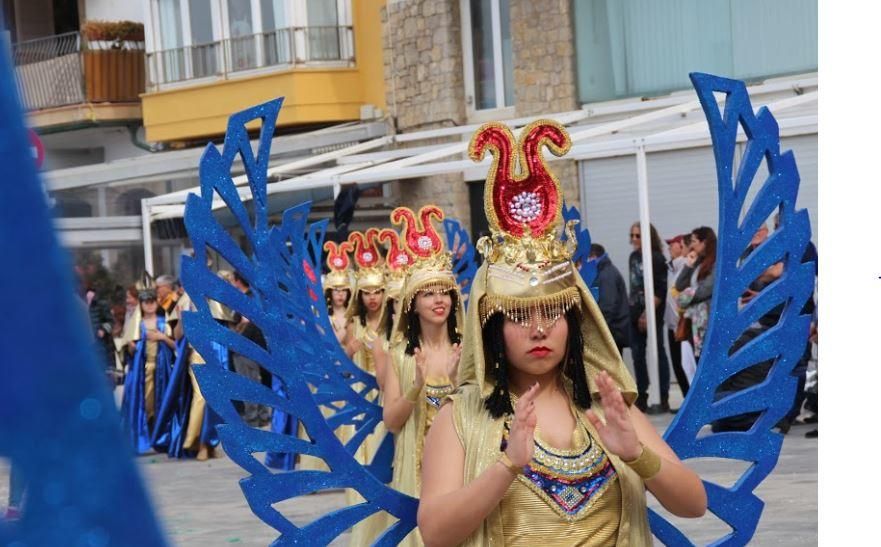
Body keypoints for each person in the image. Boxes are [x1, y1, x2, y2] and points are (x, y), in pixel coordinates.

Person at [418, 120, 706, 545]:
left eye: (553, 312)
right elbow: (436, 533)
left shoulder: (606, 409)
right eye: (518, 316)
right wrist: (506, 467)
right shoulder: (459, 417)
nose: (539, 330)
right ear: (492, 328)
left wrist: (637, 456)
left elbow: (694, 504)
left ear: (576, 321)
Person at [381, 206, 464, 547]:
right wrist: (417, 386)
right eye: (428, 294)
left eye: (443, 292)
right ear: (412, 304)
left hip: (461, 466)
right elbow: (391, 421)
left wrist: (459, 384)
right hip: (415, 472)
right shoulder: (400, 355)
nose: (438, 300)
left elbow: (484, 412)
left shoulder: (468, 351)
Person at [120, 282, 176, 454]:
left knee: (161, 403)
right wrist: (132, 345)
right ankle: (142, 438)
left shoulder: (163, 321)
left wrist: (162, 337)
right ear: (141, 304)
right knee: (144, 404)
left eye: (152, 301)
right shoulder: (137, 324)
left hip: (161, 371)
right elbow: (128, 349)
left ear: (156, 302)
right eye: (146, 302)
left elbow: (175, 345)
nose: (150, 304)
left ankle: (161, 438)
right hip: (142, 372)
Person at [627, 221, 671, 413]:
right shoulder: (633, 257)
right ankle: (642, 394)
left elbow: (660, 291)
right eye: (632, 235)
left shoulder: (657, 258)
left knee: (658, 353)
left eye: (638, 235)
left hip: (653, 313)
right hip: (634, 312)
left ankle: (663, 396)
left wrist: (647, 314)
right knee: (638, 356)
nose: (634, 239)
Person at [230, 271, 272, 428]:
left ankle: (254, 417)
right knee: (255, 382)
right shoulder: (254, 298)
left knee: (250, 383)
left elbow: (250, 324)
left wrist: (237, 341)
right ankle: (262, 415)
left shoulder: (246, 299)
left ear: (237, 281)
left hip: (246, 348)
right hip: (254, 347)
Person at [675, 226, 717, 360]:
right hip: (694, 322)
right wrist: (688, 265)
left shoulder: (716, 263)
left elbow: (706, 289)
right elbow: (679, 285)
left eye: (693, 241)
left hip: (707, 321)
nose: (691, 245)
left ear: (704, 242)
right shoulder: (698, 262)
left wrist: (684, 296)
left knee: (706, 359)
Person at [588, 243, 629, 357]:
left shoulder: (606, 275)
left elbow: (608, 306)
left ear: (593, 257)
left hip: (612, 332)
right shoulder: (605, 271)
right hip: (614, 330)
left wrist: (599, 331)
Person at [663, 234, 691, 398]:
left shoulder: (684, 266)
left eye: (672, 245)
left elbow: (681, 297)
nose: (669, 249)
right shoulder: (673, 268)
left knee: (684, 365)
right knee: (678, 364)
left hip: (681, 325)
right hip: (673, 325)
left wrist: (678, 321)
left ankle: (689, 399)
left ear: (681, 246)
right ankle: (685, 398)